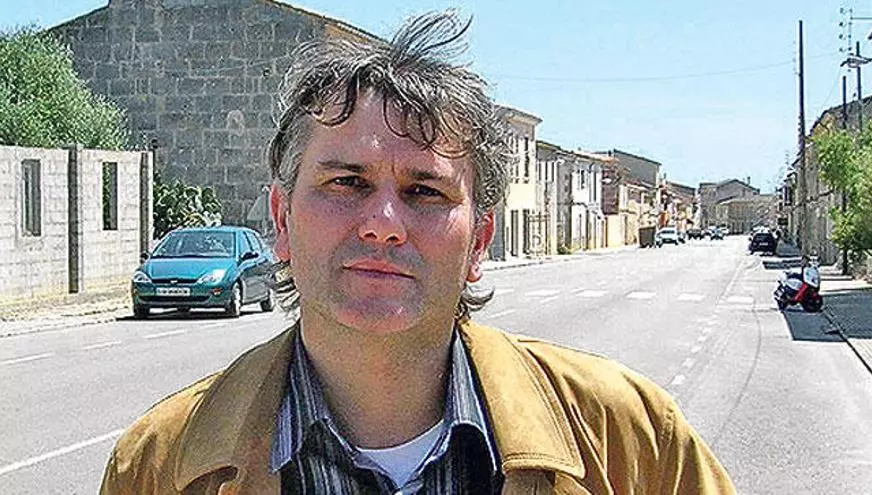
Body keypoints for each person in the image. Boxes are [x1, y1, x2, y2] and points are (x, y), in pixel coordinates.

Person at [100, 11, 735, 494]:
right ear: (282, 220)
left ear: (479, 241)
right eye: (346, 183)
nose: (383, 225)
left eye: (425, 192)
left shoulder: (632, 441)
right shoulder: (158, 465)